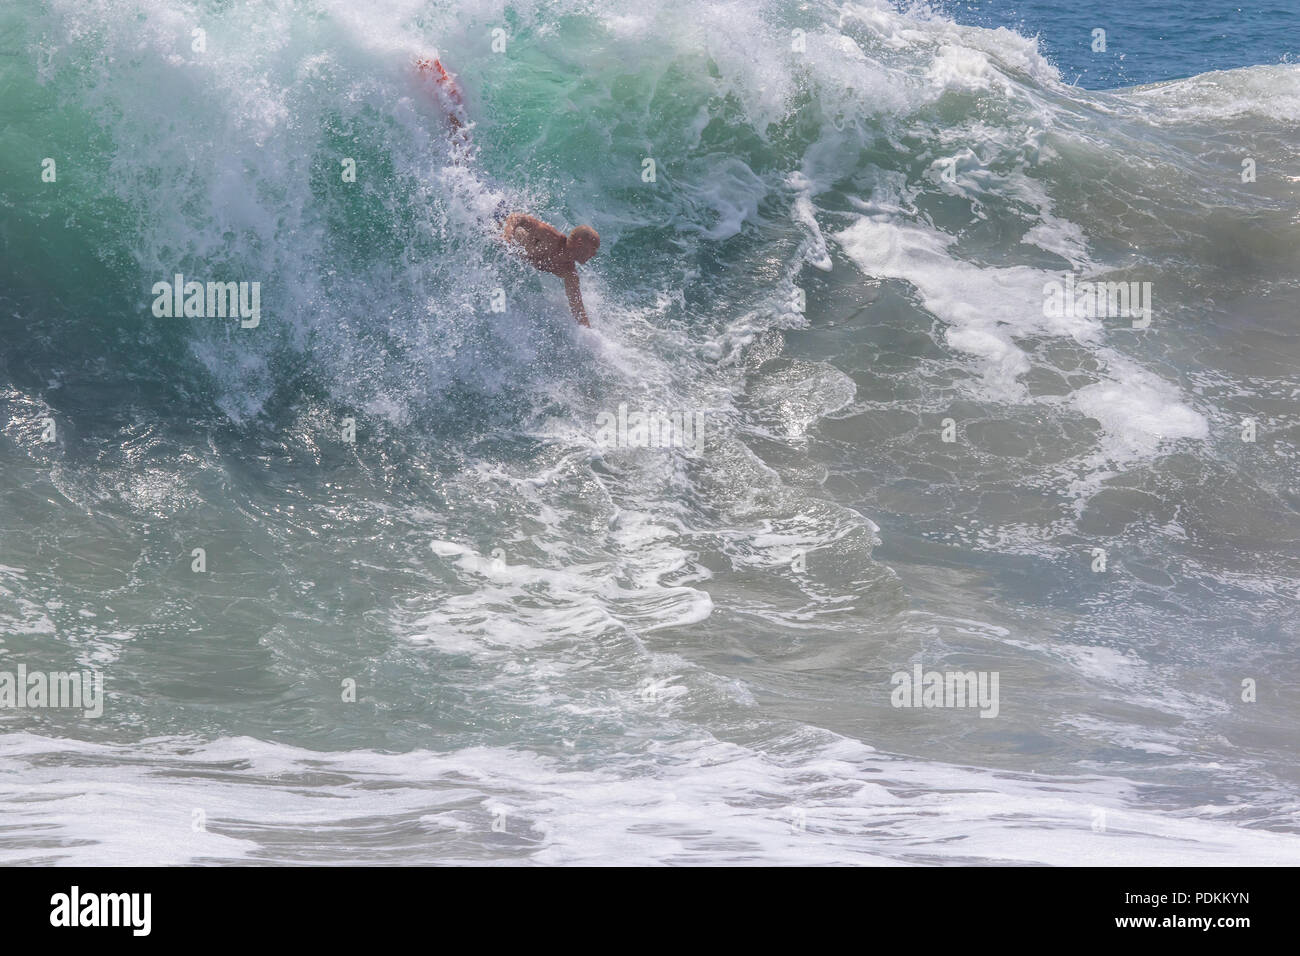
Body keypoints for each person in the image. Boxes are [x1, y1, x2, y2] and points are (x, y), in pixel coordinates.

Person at [501, 215, 600, 327]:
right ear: (579, 243)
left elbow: (578, 310)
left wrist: (589, 336)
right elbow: (517, 218)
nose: (594, 255)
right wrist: (507, 236)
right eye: (593, 249)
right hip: (496, 221)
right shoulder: (550, 237)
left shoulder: (569, 273)